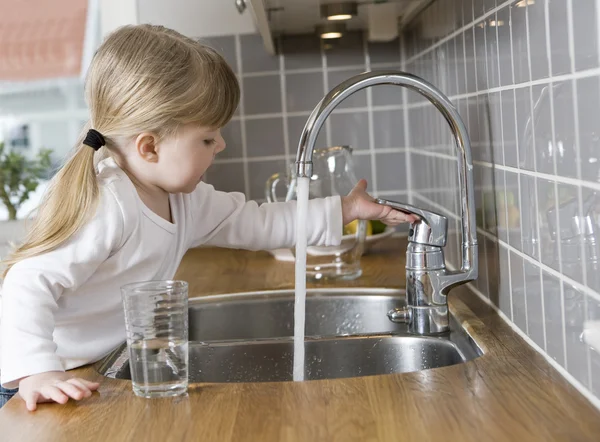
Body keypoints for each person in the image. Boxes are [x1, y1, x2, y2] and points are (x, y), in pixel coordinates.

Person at [0, 24, 415, 411]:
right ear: (149, 147)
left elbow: (258, 223)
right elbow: (28, 283)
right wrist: (37, 369)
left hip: (89, 369)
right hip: (37, 378)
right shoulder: (108, 203)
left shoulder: (183, 199)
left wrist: (344, 210)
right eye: (206, 137)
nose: (221, 145)